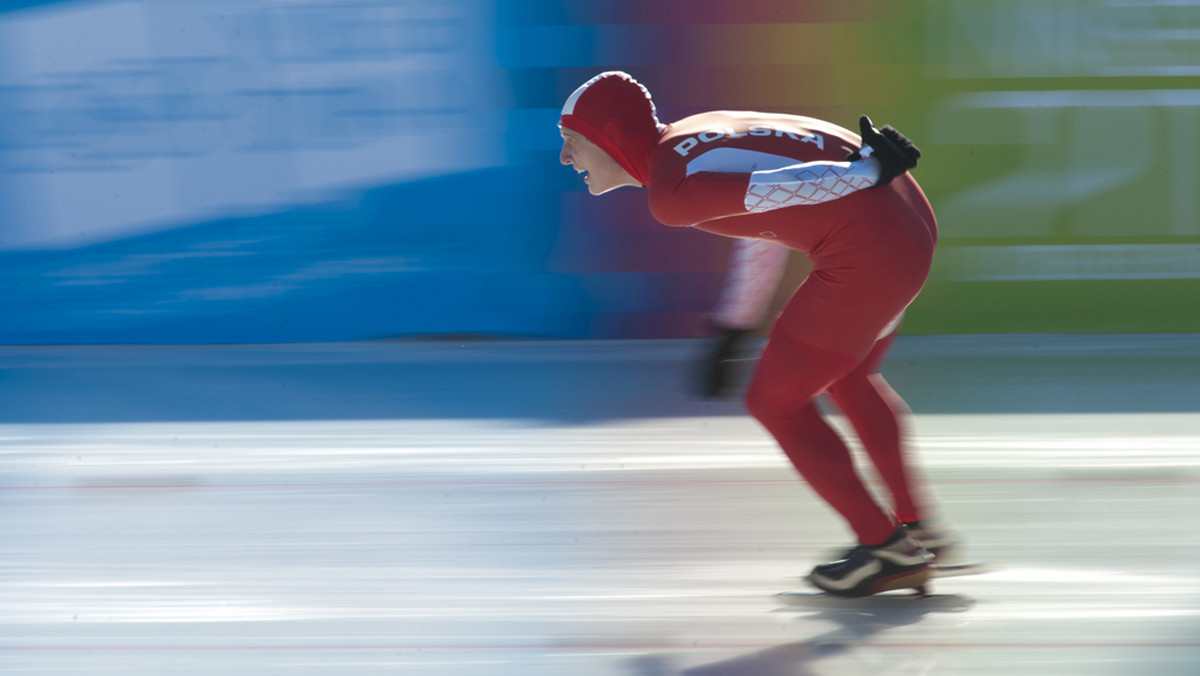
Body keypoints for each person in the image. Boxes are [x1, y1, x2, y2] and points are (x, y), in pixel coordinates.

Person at [559, 70, 956, 597]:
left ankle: (887, 549)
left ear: (610, 134)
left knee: (776, 402)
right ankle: (914, 526)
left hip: (873, 246)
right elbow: (760, 216)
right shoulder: (689, 138)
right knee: (850, 376)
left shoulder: (670, 192)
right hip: (908, 226)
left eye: (572, 143)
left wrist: (866, 171)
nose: (566, 160)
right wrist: (735, 324)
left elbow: (783, 187)